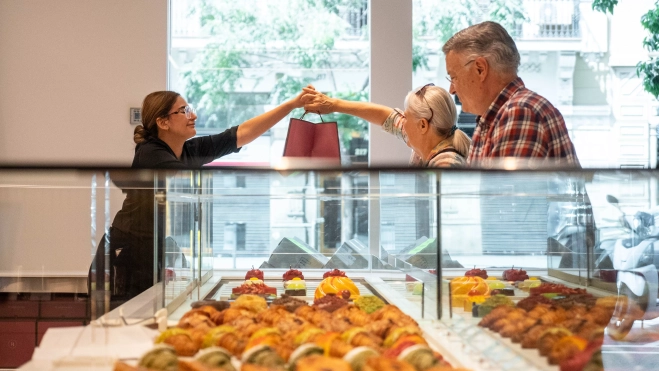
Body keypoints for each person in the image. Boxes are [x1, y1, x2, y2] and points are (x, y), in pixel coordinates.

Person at [90, 89, 310, 306]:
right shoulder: (151, 152)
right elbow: (183, 179)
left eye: (190, 109)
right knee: (128, 322)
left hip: (151, 247)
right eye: (183, 111)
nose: (193, 115)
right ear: (163, 122)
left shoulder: (185, 150)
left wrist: (291, 104)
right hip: (126, 252)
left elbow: (239, 135)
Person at [443, 21, 580, 168]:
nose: (452, 89)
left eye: (453, 77)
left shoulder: (520, 111)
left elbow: (502, 189)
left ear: (480, 69)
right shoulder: (496, 116)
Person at [302, 84, 471, 168]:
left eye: (406, 115)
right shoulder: (427, 139)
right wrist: (333, 105)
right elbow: (386, 116)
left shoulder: (446, 163)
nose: (401, 120)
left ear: (422, 125)